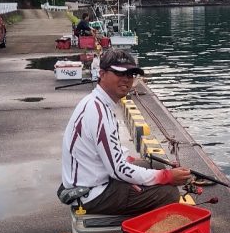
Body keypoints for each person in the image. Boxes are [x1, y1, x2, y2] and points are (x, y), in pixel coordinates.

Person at [61, 48, 192, 216]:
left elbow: (112, 155)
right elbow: (118, 170)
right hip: (90, 194)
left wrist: (149, 166)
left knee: (157, 165)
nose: (126, 80)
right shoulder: (98, 112)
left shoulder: (97, 103)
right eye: (119, 73)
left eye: (130, 75)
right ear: (102, 73)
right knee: (168, 193)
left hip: (94, 180)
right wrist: (166, 177)